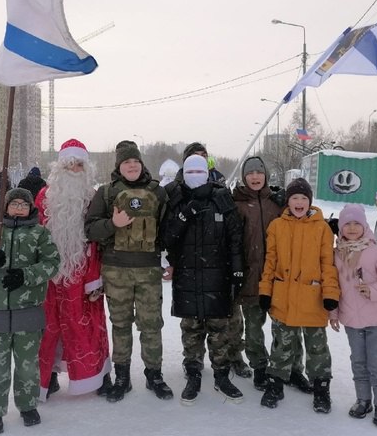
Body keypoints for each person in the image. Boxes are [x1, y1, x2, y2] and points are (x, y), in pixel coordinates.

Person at [0, 186, 60, 435]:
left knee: (27, 366)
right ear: (6, 207)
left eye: (24, 204)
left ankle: (28, 405)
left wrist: (25, 275)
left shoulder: (40, 234)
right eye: (14, 203)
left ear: (31, 207)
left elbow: (52, 264)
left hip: (28, 313)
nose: (19, 207)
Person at [83, 141, 168, 402]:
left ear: (141, 165)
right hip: (116, 270)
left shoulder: (158, 192)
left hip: (149, 271)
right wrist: (113, 223)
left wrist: (170, 259)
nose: (132, 165)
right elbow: (90, 229)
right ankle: (122, 377)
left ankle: (154, 374)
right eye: (126, 162)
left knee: (151, 325)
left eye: (135, 161)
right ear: (119, 167)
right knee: (120, 325)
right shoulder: (106, 193)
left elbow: (168, 231)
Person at [162, 153, 245, 404]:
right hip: (187, 275)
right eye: (190, 172)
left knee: (219, 330)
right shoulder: (175, 198)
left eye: (200, 172)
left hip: (217, 276)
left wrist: (237, 271)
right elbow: (166, 238)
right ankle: (193, 372)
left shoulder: (221, 198)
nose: (195, 176)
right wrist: (184, 215)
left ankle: (221, 374)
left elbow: (235, 238)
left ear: (207, 173)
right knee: (191, 329)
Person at [35, 139, 109, 400]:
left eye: (79, 165)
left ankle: (94, 376)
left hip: (82, 272)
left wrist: (94, 278)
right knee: (49, 327)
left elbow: (98, 242)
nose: (74, 170)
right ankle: (49, 376)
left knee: (85, 326)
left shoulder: (92, 197)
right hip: (50, 275)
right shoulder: (44, 196)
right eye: (69, 165)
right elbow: (34, 235)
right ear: (59, 167)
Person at [257, 177, 339, 412]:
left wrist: (330, 293)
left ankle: (321, 389)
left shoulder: (322, 228)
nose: (299, 202)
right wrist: (265, 290)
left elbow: (328, 264)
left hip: (313, 298)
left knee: (317, 347)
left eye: (304, 198)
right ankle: (276, 385)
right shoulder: (276, 226)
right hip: (284, 297)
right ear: (288, 202)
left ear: (310, 201)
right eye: (295, 198)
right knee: (281, 345)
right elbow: (270, 262)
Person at [328, 202, 377, 428]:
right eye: (346, 224)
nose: (351, 228)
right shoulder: (337, 254)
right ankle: (363, 400)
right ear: (340, 227)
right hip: (351, 319)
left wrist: (373, 290)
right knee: (358, 362)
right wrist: (333, 313)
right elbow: (333, 287)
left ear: (364, 226)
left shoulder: (376, 252)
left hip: (376, 320)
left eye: (356, 223)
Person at [230, 155, 286, 388]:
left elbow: (301, 215)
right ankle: (260, 366)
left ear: (266, 176)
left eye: (259, 173)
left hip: (278, 276)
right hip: (251, 275)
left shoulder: (277, 202)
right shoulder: (236, 203)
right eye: (250, 173)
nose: (255, 177)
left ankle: (285, 367)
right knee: (254, 327)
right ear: (244, 177)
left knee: (284, 326)